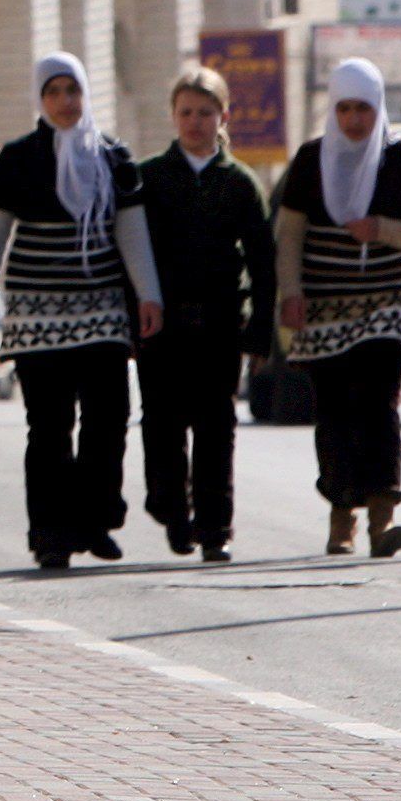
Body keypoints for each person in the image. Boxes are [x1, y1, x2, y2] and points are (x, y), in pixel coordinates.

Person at [0, 53, 163, 569]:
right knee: (49, 427)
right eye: (53, 92)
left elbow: (132, 233)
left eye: (72, 91)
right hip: (36, 316)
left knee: (109, 418)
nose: (64, 102)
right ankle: (50, 534)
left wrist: (149, 294)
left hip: (101, 311)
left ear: (85, 94)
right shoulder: (18, 159)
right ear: (40, 98)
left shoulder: (113, 158)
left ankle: (95, 518)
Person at [276, 58, 401, 557]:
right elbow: (290, 236)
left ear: (378, 108)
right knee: (334, 411)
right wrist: (290, 293)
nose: (354, 120)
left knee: (378, 405)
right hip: (326, 309)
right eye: (344, 108)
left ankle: (381, 519)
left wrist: (382, 230)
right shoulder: (310, 160)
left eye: (363, 109)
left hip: (388, 304)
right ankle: (341, 515)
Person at [138, 63, 277, 564]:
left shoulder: (239, 182)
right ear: (173, 116)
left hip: (220, 321)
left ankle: (216, 527)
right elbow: (131, 252)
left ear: (223, 116)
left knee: (217, 425)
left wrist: (261, 332)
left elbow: (262, 261)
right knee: (163, 423)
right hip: (161, 323)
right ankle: (172, 508)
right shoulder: (149, 177)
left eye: (205, 112)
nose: (195, 122)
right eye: (186, 112)